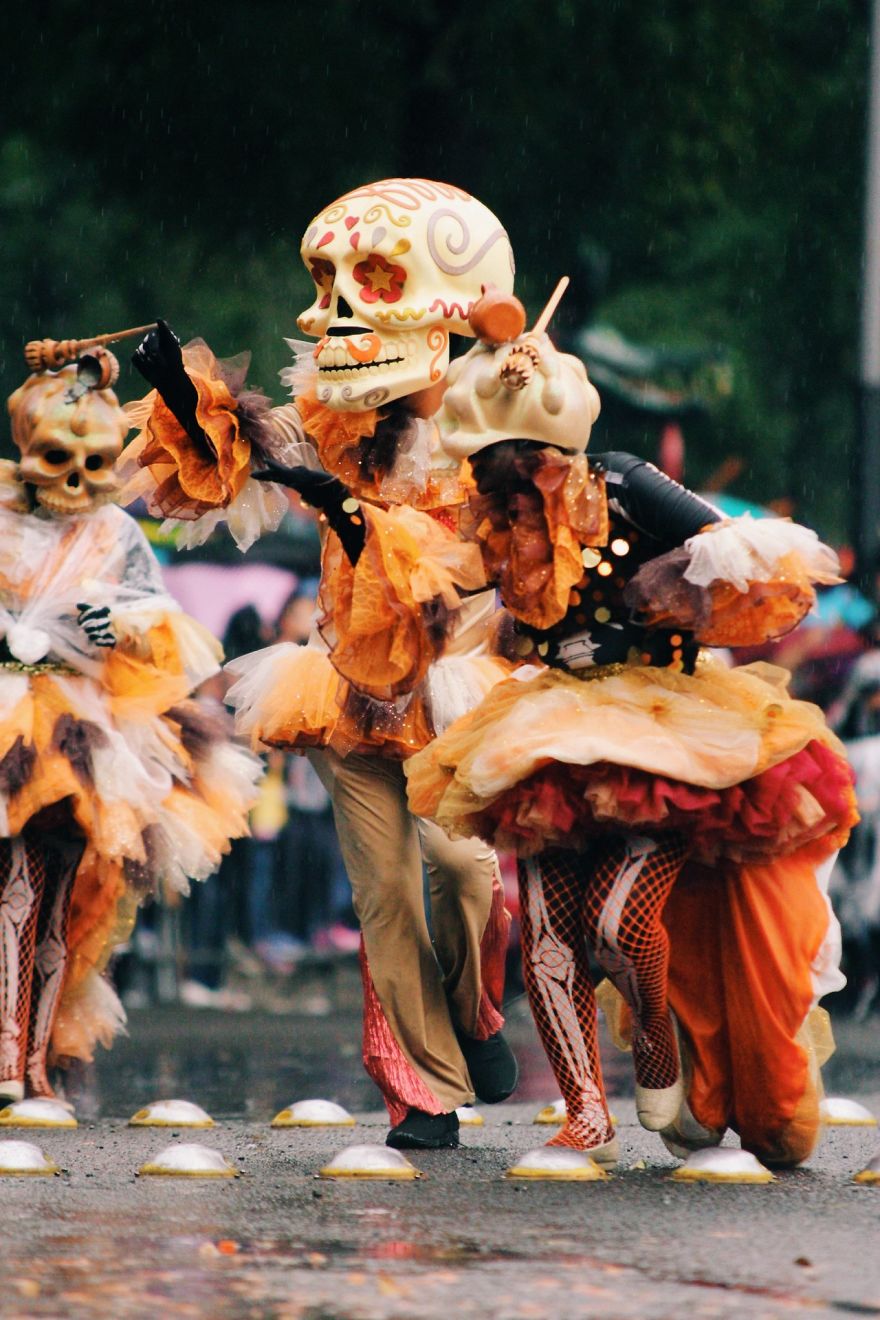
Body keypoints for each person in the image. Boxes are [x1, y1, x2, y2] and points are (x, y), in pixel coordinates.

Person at [405, 304, 857, 1169]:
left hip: (661, 725)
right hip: (546, 722)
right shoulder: (486, 513)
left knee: (619, 923)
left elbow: (743, 549)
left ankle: (658, 1038)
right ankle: (586, 1116)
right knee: (543, 935)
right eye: (488, 471)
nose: (505, 486)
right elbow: (445, 579)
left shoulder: (620, 482)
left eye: (521, 467)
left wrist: (681, 581)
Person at [119, 179, 522, 1148]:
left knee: (465, 875)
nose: (333, 311)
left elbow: (471, 561)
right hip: (341, 687)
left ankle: (474, 1019)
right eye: (329, 286)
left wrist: (355, 516)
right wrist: (179, 389)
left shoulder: (485, 428)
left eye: (371, 283)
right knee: (382, 889)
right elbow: (250, 456)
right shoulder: (332, 427)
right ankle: (423, 1094)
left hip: (447, 684)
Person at [0, 335, 260, 1106]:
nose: (77, 480)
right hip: (14, 712)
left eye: (93, 464)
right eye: (57, 459)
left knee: (60, 897)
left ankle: (34, 1056)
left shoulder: (114, 532)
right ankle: (8, 1055)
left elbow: (157, 616)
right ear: (27, 448)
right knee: (16, 885)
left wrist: (117, 624)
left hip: (82, 727)